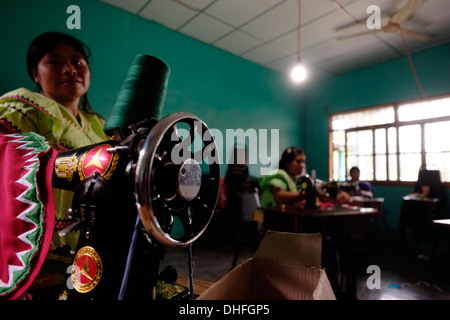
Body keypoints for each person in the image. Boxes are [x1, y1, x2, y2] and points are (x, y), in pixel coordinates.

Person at [0, 32, 108, 259]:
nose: (70, 69)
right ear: (35, 75)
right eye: (55, 62)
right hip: (36, 246)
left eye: (77, 61)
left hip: (93, 242)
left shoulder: (98, 124)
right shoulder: (24, 106)